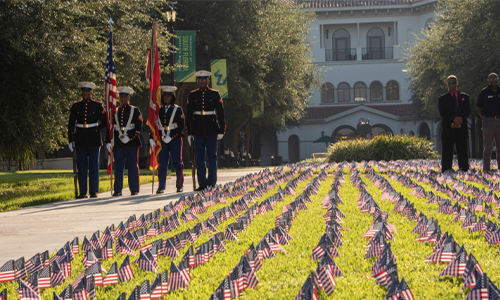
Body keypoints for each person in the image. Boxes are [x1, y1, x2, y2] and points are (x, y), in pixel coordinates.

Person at [186, 70, 226, 191]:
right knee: (199, 158)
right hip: (197, 129)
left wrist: (221, 130)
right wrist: (189, 132)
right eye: (200, 80)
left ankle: (212, 182)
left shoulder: (215, 94)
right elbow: (188, 114)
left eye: (204, 80)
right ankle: (202, 183)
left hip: (212, 129)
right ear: (197, 81)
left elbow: (220, 113)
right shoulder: (192, 95)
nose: (202, 82)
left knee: (212, 156)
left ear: (208, 81)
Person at [68, 82, 107, 198]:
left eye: (87, 92)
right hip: (80, 138)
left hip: (94, 138)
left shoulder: (98, 105)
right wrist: (70, 140)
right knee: (81, 165)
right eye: (83, 91)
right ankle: (83, 192)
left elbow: (104, 122)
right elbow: (71, 125)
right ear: (81, 92)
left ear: (91, 92)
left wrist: (96, 129)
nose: (85, 93)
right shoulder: (76, 106)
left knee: (94, 165)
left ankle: (93, 190)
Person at [106, 86, 143, 196]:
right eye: (121, 97)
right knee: (118, 166)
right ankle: (117, 189)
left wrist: (130, 137)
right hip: (118, 142)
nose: (122, 99)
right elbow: (110, 126)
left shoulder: (135, 110)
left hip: (131, 142)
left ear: (129, 97)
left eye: (125, 97)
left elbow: (138, 126)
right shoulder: (114, 111)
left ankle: (134, 189)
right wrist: (108, 141)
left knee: (132, 166)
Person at [149, 86, 185, 194]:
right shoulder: (158, 110)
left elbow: (180, 126)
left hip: (175, 139)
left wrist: (172, 136)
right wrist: (151, 138)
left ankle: (179, 185)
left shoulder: (178, 109)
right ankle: (161, 186)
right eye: (164, 96)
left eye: (168, 96)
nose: (166, 98)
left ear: (172, 97)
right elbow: (154, 125)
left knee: (177, 162)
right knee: (162, 163)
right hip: (162, 139)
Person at [438, 75, 470, 173]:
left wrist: (460, 119)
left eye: (454, 83)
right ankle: (447, 170)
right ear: (447, 85)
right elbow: (442, 112)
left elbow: (467, 110)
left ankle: (464, 169)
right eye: (450, 83)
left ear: (457, 83)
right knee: (447, 150)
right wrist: (453, 119)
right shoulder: (442, 98)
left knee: (463, 150)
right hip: (448, 127)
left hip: (461, 127)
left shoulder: (465, 97)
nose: (452, 85)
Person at [477, 72, 500, 172]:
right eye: (491, 78)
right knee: (487, 147)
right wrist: (485, 118)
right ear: (488, 81)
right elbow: (479, 108)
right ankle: (486, 169)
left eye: (495, 78)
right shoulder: (483, 93)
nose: (493, 80)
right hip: (488, 121)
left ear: (498, 79)